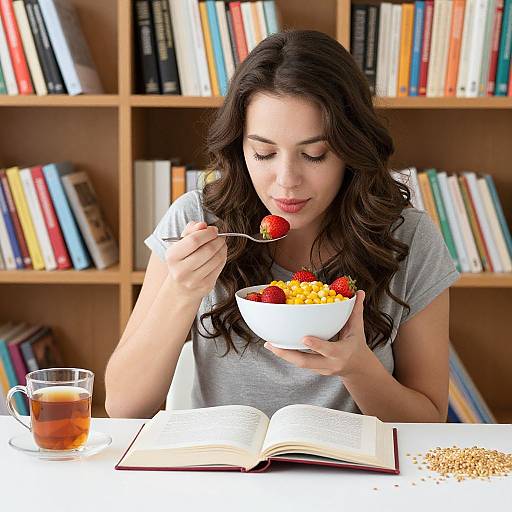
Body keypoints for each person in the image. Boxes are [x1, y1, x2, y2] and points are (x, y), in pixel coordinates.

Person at [105, 29, 460, 421]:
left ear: (351, 149)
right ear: (240, 148)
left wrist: (357, 367)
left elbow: (430, 421)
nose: (286, 180)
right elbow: (123, 406)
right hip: (226, 473)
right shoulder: (200, 219)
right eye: (264, 153)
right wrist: (181, 291)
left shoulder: (406, 236)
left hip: (355, 477)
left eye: (314, 154)